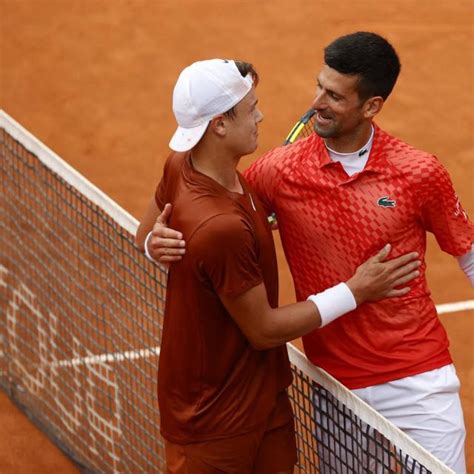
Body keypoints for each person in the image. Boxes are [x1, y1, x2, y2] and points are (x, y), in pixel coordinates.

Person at [149, 34, 473, 473]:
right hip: (335, 384)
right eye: (319, 86)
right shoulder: (278, 172)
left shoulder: (419, 172)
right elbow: (206, 212)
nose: (316, 102)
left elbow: (468, 253)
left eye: (335, 96)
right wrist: (157, 241)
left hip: (418, 381)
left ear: (371, 106)